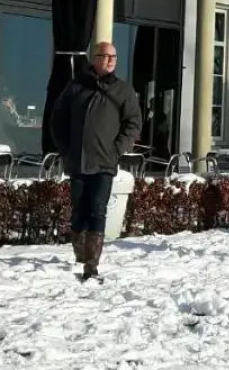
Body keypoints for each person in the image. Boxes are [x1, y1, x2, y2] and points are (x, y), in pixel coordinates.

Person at [52, 41, 144, 282]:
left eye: (114, 56)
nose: (111, 60)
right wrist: (66, 149)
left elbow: (133, 122)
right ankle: (80, 255)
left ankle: (91, 264)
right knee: (79, 209)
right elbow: (58, 118)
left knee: (98, 209)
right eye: (106, 56)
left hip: (105, 162)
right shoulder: (77, 86)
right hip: (78, 161)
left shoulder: (123, 90)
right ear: (94, 58)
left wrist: (117, 149)